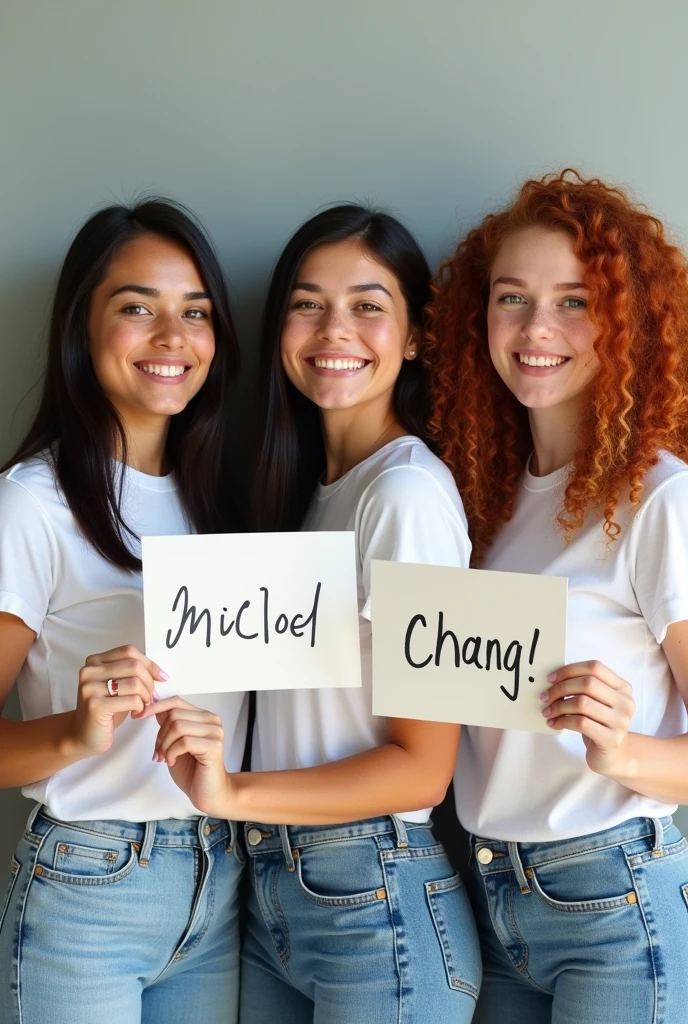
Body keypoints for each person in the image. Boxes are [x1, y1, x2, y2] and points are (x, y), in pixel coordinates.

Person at [141, 204, 481, 1023]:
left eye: (368, 305)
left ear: (416, 339)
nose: (335, 329)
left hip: (378, 902)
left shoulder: (406, 495)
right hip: (278, 898)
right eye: (307, 302)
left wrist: (233, 793)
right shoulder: (308, 497)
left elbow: (423, 768)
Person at [425, 169, 688, 1023]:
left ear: (627, 322)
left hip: (617, 898)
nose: (537, 329)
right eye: (512, 298)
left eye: (575, 301)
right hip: (491, 896)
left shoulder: (660, 499)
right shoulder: (480, 502)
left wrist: (624, 755)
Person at [0, 199, 248, 1024]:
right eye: (138, 307)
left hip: (218, 880)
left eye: (196, 313)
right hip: (88, 885)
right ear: (83, 327)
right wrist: (74, 732)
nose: (172, 337)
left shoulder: (228, 501)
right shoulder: (33, 504)